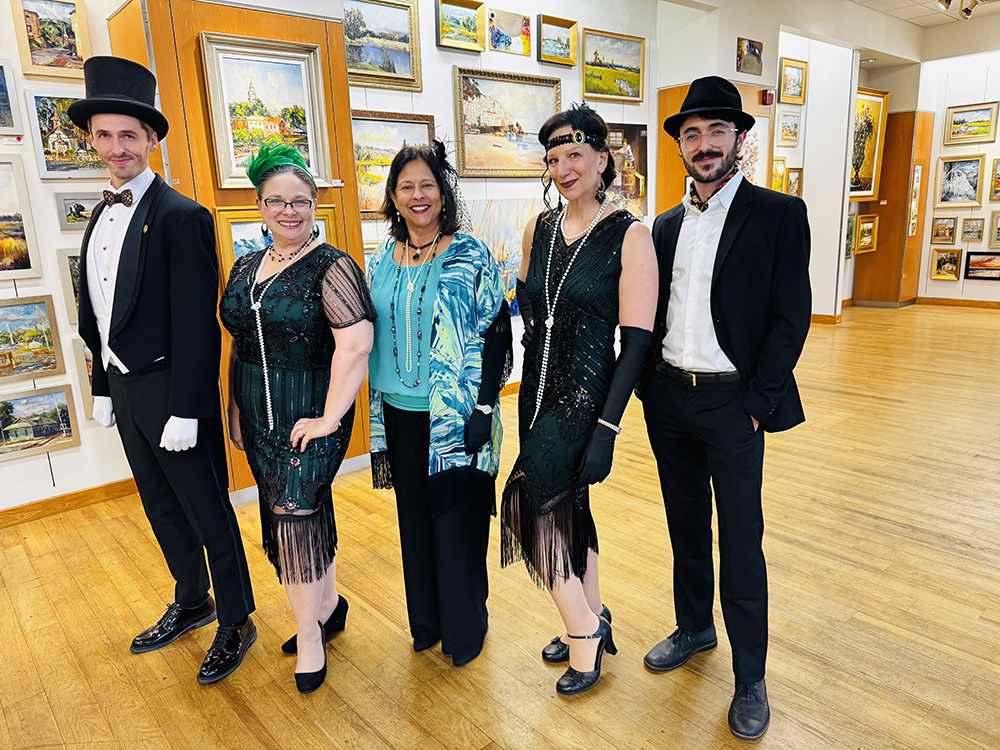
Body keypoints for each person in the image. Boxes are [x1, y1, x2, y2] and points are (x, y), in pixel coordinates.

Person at [69, 56, 256, 685]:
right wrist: (102, 385)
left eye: (129, 134)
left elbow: (198, 325)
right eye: (104, 135)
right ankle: (193, 598)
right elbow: (97, 309)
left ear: (151, 138)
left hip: (173, 392)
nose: (116, 147)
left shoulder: (182, 216)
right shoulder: (100, 213)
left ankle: (237, 617)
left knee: (207, 509)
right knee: (159, 505)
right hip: (125, 389)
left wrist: (188, 408)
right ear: (91, 138)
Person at [638, 76, 812, 741]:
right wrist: (649, 388)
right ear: (680, 146)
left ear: (740, 138)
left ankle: (751, 677)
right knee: (685, 524)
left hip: (734, 403)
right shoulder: (664, 225)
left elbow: (791, 318)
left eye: (717, 131)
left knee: (741, 540)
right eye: (692, 134)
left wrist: (757, 404)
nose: (704, 144)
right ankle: (694, 628)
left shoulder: (778, 215)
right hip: (670, 399)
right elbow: (651, 312)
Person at [501, 103, 657, 695]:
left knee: (527, 502)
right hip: (535, 392)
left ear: (601, 158)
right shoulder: (538, 228)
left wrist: (608, 429)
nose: (563, 168)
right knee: (568, 507)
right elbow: (524, 301)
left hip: (584, 394)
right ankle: (591, 611)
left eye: (574, 154)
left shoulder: (630, 235)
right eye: (552, 159)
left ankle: (584, 634)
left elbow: (636, 343)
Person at [219, 143, 375, 693]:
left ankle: (309, 635)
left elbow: (355, 345)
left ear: (314, 204)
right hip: (258, 415)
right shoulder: (246, 265)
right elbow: (239, 340)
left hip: (311, 413)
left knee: (294, 516)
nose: (289, 211)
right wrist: (233, 408)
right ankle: (328, 609)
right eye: (277, 201)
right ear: (259, 205)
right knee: (299, 514)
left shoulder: (332, 266)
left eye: (301, 201)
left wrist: (331, 418)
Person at [367, 140, 512, 668]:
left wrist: (486, 408)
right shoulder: (382, 258)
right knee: (415, 521)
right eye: (406, 186)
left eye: (427, 184)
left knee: (457, 523)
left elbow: (497, 333)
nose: (417, 195)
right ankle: (426, 624)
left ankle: (465, 629)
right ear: (393, 196)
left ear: (443, 193)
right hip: (398, 414)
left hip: (457, 416)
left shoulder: (468, 252)